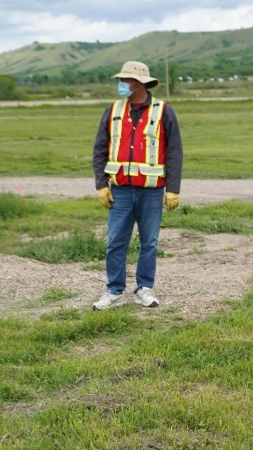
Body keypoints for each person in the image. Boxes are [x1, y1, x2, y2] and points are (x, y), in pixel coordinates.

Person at [91, 61, 183, 310]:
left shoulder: (163, 111)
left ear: (139, 83)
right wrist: (101, 184)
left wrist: (172, 188)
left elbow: (174, 152)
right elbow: (100, 149)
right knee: (115, 242)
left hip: (151, 191)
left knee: (149, 242)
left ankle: (144, 287)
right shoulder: (113, 111)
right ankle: (114, 291)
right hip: (119, 189)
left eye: (126, 81)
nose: (121, 85)